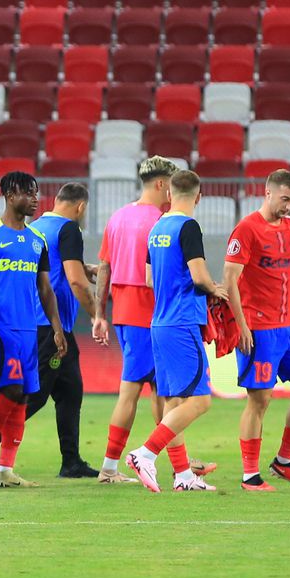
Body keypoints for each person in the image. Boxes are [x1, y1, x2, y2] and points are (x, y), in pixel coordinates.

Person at [0, 182, 97, 480]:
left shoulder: (40, 228)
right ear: (81, 207)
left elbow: (53, 268)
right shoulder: (70, 229)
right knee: (28, 394)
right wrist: (98, 315)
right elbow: (72, 280)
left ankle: (71, 461)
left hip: (44, 325)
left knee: (70, 391)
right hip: (44, 325)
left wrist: (83, 268)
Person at [91, 157, 214, 483]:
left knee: (162, 393)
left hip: (126, 312)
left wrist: (99, 313)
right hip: (157, 313)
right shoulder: (165, 220)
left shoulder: (117, 217)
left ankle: (180, 469)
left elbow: (104, 266)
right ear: (163, 185)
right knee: (149, 393)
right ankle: (118, 464)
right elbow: (167, 276)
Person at [224, 169, 290, 492]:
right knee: (260, 400)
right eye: (285, 199)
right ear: (267, 193)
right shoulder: (247, 229)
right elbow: (229, 279)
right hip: (260, 329)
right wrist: (241, 325)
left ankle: (284, 461)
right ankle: (250, 475)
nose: (289, 207)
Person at [126, 170, 227, 494]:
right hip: (182, 323)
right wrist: (217, 290)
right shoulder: (188, 226)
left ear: (169, 193)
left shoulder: (157, 228)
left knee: (174, 402)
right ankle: (145, 454)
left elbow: (149, 278)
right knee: (200, 401)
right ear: (198, 197)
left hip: (159, 322)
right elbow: (198, 277)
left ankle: (183, 476)